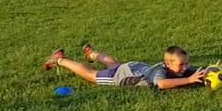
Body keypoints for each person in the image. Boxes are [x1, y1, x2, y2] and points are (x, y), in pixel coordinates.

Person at [44, 44, 208, 90]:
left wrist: (211, 69)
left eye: (186, 63)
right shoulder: (160, 72)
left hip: (134, 67)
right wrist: (188, 80)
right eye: (181, 64)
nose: (185, 67)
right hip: (122, 76)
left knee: (114, 64)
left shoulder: (177, 67)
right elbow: (162, 84)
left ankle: (93, 54)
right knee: (91, 75)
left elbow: (195, 71)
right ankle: (60, 60)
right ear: (167, 64)